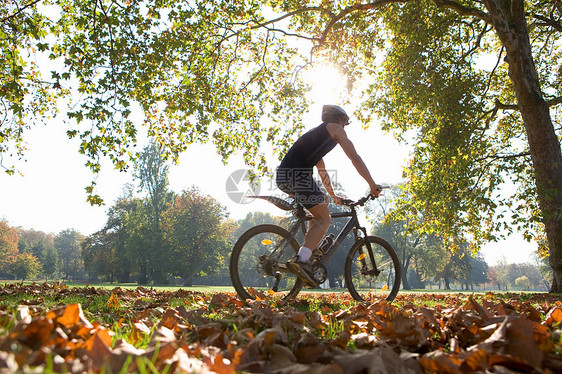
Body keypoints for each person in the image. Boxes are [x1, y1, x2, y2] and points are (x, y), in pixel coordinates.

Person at [275, 104, 382, 287]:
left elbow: (322, 171)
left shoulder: (316, 140)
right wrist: (372, 184)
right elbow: (354, 157)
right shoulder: (335, 128)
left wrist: (332, 195)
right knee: (325, 218)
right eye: (344, 122)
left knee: (319, 208)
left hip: (284, 177)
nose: (344, 127)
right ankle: (302, 259)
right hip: (297, 175)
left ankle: (307, 255)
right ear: (339, 119)